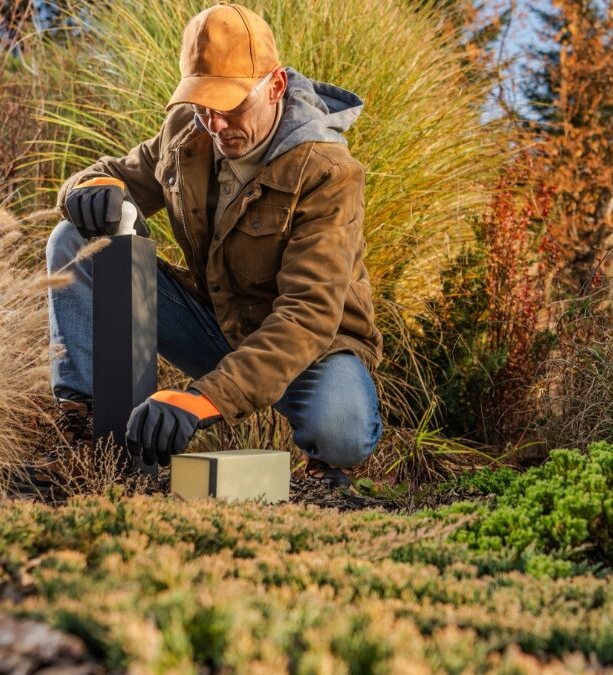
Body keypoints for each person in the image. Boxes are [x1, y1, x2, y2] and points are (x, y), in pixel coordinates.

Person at [44, 2, 383, 488]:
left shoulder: (328, 172)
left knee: (341, 431)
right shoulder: (188, 131)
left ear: (277, 86)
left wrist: (204, 399)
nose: (216, 125)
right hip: (215, 323)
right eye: (204, 105)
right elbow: (115, 175)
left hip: (311, 348)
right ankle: (90, 431)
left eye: (231, 105)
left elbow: (308, 314)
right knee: (75, 240)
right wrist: (90, 187)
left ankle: (325, 471)